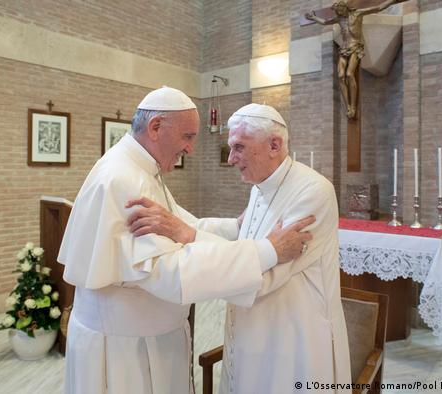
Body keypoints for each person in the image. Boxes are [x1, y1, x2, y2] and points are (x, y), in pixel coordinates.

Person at [57, 87, 314, 394]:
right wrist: (267, 251)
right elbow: (171, 272)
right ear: (155, 128)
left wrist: (235, 228)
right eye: (188, 136)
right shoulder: (126, 179)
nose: (191, 149)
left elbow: (178, 225)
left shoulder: (137, 169)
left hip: (140, 335)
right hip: (127, 348)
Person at [128, 103, 352, 394]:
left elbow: (263, 278)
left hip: (294, 339)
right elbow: (241, 233)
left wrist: (187, 233)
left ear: (274, 145)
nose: (231, 158)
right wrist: (178, 225)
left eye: (239, 147)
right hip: (252, 332)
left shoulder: (312, 192)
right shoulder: (261, 185)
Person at [306, 0, 399, 119]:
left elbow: (378, 7)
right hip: (344, 50)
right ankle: (348, 107)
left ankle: (353, 106)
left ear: (345, 8)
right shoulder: (339, 19)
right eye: (338, 12)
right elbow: (325, 22)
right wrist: (313, 17)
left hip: (355, 47)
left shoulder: (358, 13)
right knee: (340, 76)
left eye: (341, 11)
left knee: (349, 74)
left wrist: (391, 1)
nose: (340, 14)